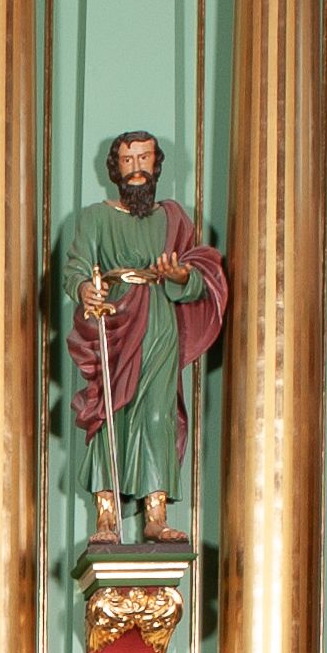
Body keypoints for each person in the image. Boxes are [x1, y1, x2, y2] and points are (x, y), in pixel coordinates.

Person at [62, 131, 226, 544]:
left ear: (156, 164)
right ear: (115, 169)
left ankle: (156, 514)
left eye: (144, 159)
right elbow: (77, 267)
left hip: (158, 320)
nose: (137, 169)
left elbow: (195, 275)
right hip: (114, 317)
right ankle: (106, 516)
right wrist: (85, 288)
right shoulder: (96, 218)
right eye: (128, 160)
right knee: (109, 412)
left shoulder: (173, 218)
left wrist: (181, 276)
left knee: (158, 413)